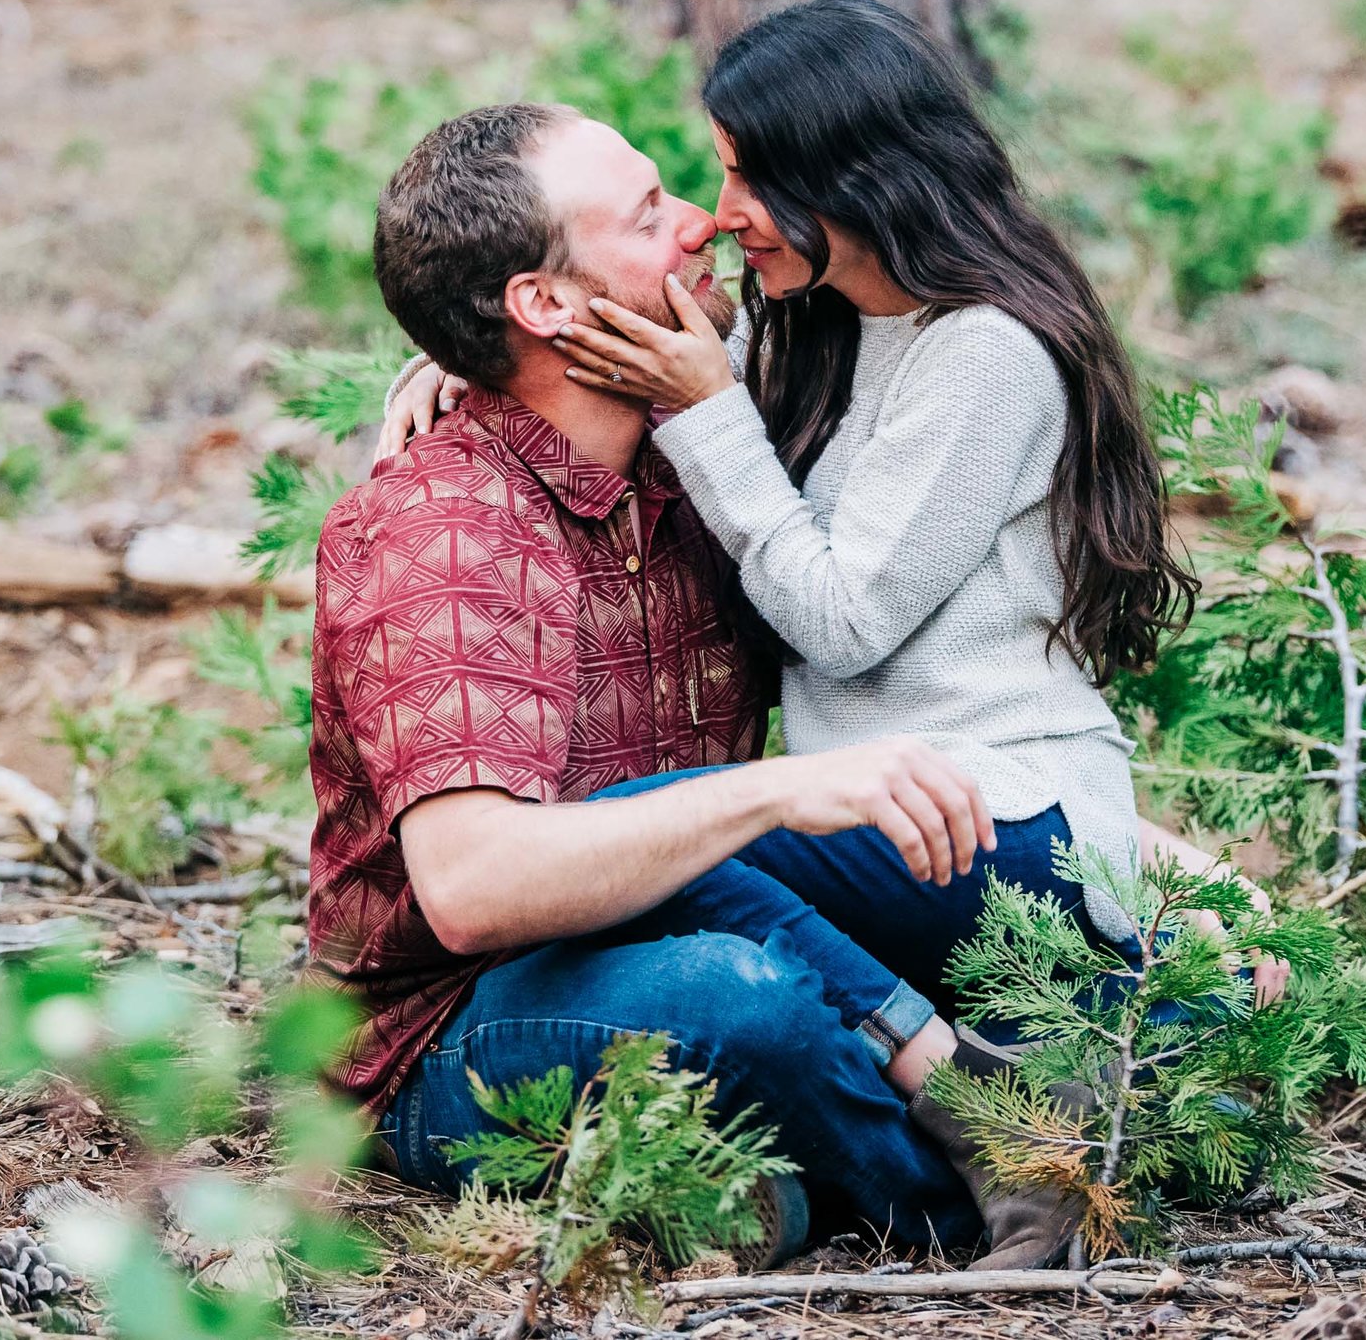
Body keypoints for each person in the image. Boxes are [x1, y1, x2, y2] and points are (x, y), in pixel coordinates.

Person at [379, 0, 1282, 1096]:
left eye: (752, 180)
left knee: (657, 839)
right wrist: (467, 355)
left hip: (990, 814)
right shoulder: (811, 317)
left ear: (857, 177)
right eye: (714, 178)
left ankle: (956, 1079)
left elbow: (844, 623)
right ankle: (1131, 1053)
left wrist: (706, 411)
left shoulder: (985, 355)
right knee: (689, 865)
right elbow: (645, 340)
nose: (722, 217)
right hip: (901, 828)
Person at [309, 99, 1083, 1269]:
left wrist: (1150, 864)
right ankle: (993, 1164)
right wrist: (774, 791)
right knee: (737, 996)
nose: (703, 226)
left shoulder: (712, 478)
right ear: (549, 304)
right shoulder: (444, 528)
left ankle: (784, 1181)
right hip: (466, 1019)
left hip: (746, 914)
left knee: (1083, 952)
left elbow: (955, 705)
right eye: (646, 213)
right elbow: (470, 889)